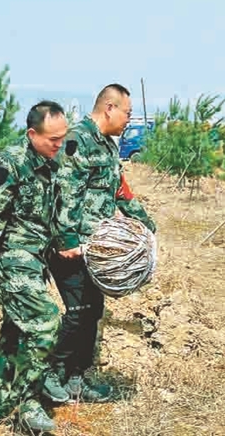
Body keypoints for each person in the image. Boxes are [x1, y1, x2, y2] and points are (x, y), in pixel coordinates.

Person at [0, 101, 73, 432]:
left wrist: (66, 242)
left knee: (15, 334)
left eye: (62, 138)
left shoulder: (53, 163)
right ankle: (29, 404)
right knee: (45, 322)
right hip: (12, 260)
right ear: (31, 134)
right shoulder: (10, 163)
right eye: (53, 139)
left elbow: (54, 212)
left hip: (36, 259)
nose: (59, 144)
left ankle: (2, 409)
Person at [46, 83, 156, 402]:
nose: (129, 120)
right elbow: (62, 195)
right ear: (109, 107)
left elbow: (119, 189)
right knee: (78, 311)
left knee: (93, 312)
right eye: (128, 113)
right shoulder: (77, 140)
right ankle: (50, 373)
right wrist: (67, 240)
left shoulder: (108, 146)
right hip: (68, 246)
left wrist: (145, 222)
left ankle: (77, 378)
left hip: (94, 249)